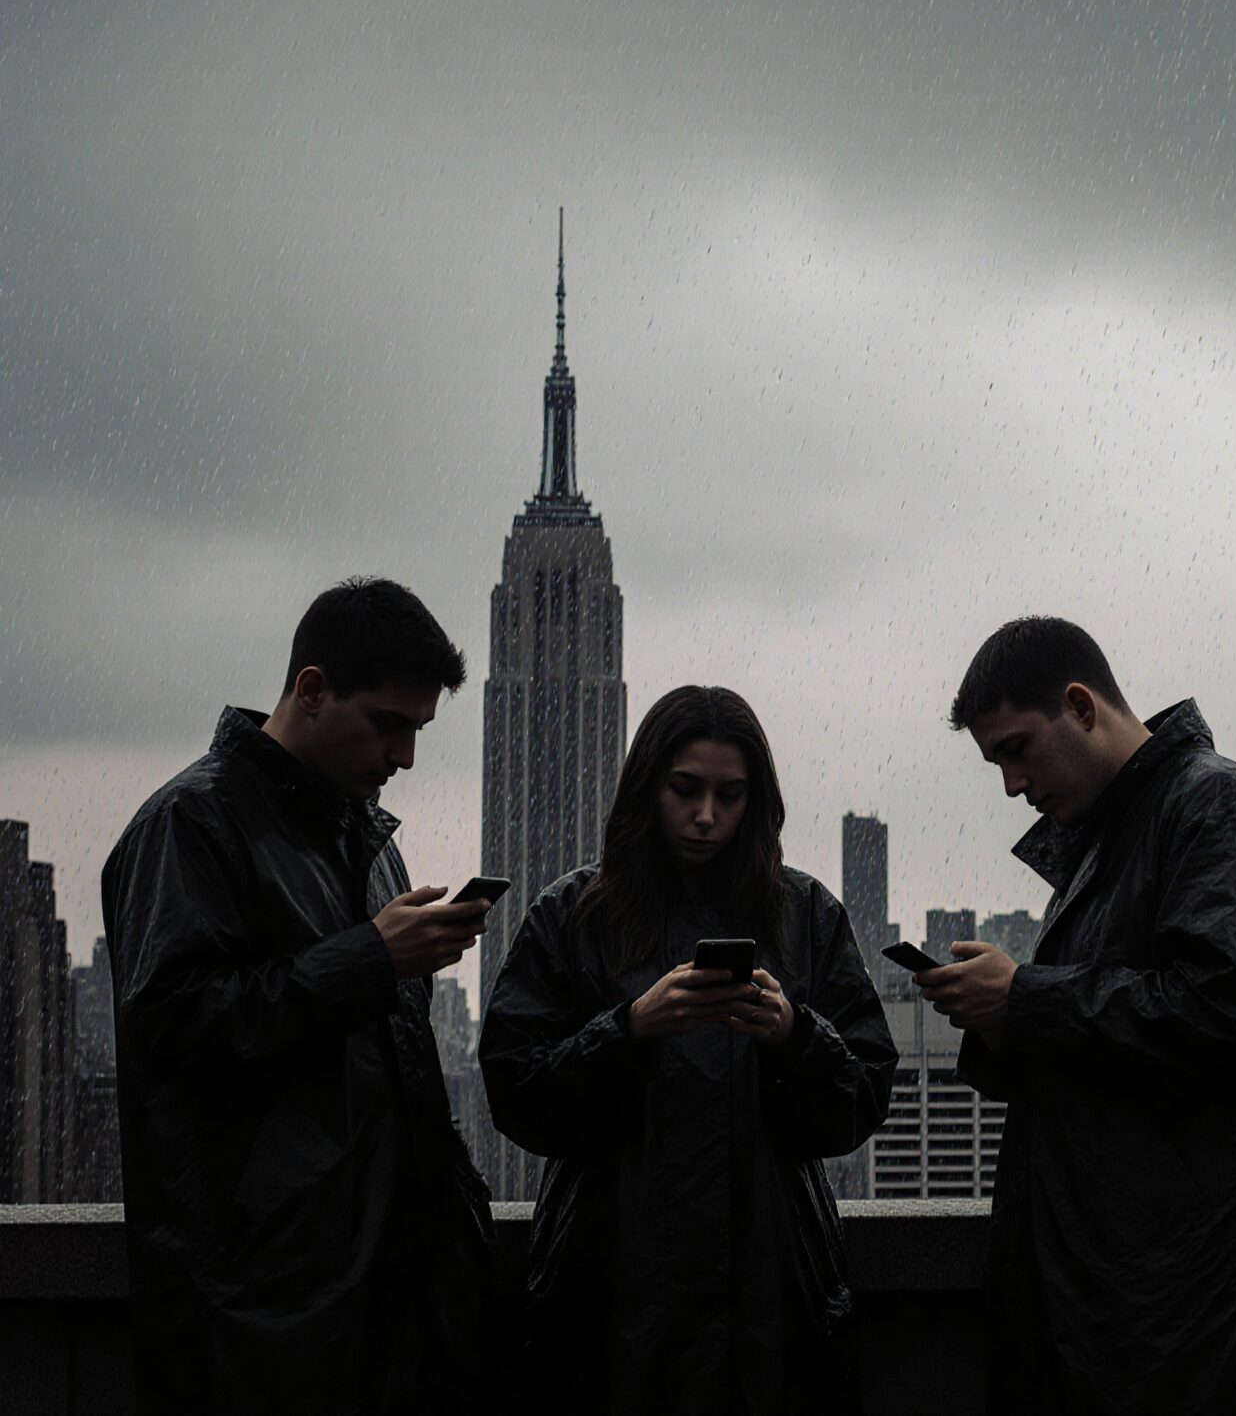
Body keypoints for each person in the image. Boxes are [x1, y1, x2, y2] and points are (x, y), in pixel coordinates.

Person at [919, 617, 1236, 1414]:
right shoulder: (1113, 839)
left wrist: (1028, 995)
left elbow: (1228, 1004)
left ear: (1080, 705)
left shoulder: (1218, 804)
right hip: (1131, 1306)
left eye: (1015, 748)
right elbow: (1119, 1051)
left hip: (1187, 1319)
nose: (1012, 785)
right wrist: (1002, 1019)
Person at [100, 576, 497, 1415]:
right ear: (311, 690)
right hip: (263, 1329)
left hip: (388, 1315)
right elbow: (174, 1028)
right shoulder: (188, 825)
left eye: (419, 730)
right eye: (388, 724)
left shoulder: (367, 842)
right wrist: (370, 958)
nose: (406, 757)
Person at [479, 685, 896, 1413]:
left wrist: (794, 1034)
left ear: (757, 800)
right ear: (649, 788)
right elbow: (516, 1095)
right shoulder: (573, 916)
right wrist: (630, 1027)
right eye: (686, 790)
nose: (707, 816)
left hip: (771, 1298)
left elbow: (861, 1102)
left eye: (730, 795)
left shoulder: (807, 916)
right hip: (610, 1294)